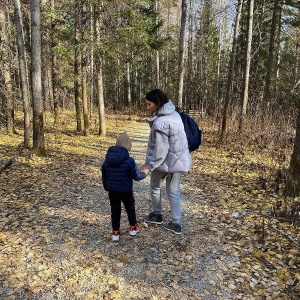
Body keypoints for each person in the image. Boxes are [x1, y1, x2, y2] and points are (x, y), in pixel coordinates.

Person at [141, 88, 192, 235]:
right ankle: (176, 223)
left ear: (157, 103)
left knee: (155, 186)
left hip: (165, 162)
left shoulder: (160, 122)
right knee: (174, 190)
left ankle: (157, 215)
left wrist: (148, 167)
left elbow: (160, 152)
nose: (147, 107)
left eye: (149, 104)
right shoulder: (175, 114)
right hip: (178, 161)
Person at [102, 132, 149, 242]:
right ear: (128, 146)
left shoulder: (107, 160)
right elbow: (136, 176)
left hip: (112, 190)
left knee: (115, 210)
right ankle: (133, 227)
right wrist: (145, 173)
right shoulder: (129, 160)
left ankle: (115, 233)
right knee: (130, 208)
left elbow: (104, 176)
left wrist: (107, 188)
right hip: (126, 190)